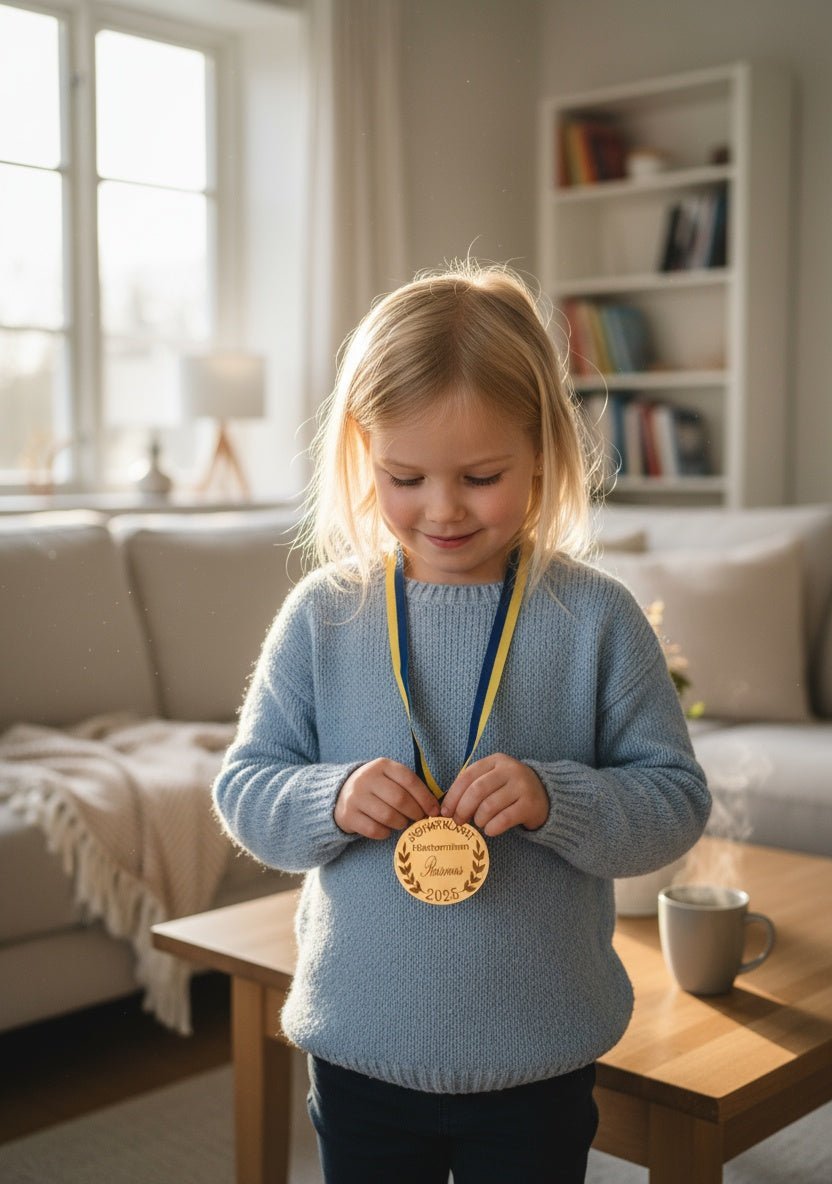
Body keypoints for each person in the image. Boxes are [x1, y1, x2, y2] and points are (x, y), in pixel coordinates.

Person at [213, 262, 711, 1183]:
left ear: (545, 454)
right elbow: (244, 789)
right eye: (406, 477)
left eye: (481, 477)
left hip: (540, 1058)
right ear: (364, 457)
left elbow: (675, 801)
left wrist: (555, 798)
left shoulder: (596, 618)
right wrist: (331, 797)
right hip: (359, 1046)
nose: (442, 509)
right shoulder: (325, 614)